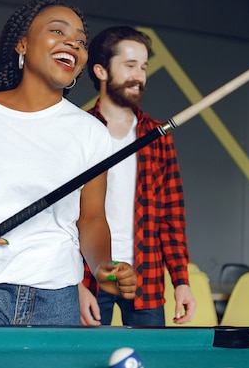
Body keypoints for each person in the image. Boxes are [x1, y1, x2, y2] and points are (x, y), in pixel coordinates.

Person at [0, 0, 137, 326]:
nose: (73, 43)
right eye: (56, 31)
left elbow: (91, 217)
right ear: (22, 43)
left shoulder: (92, 132)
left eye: (80, 41)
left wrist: (102, 266)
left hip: (57, 293)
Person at [78, 26, 195, 326]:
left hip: (146, 277)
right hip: (88, 276)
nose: (139, 75)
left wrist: (181, 280)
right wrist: (74, 284)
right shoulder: (77, 131)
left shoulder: (158, 136)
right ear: (101, 71)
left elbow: (171, 217)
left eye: (143, 67)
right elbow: (58, 218)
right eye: (129, 65)